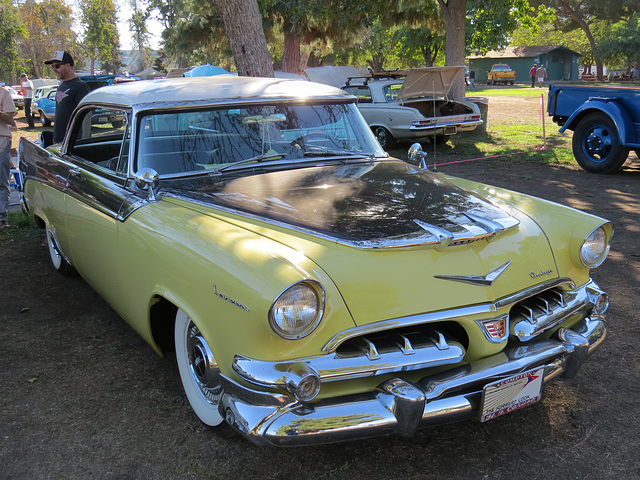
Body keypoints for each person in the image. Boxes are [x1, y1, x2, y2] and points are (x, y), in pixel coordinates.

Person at [44, 50, 90, 143]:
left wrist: (84, 142)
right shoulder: (61, 85)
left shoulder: (80, 87)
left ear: (68, 66)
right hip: (59, 141)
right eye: (52, 66)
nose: (54, 69)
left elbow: (87, 116)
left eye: (57, 66)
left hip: (73, 143)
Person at [0, 85, 18, 230]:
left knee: (1, 182)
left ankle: (1, 219)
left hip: (1, 142)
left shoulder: (3, 93)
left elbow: (10, 120)